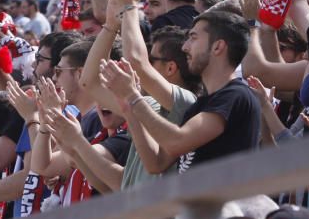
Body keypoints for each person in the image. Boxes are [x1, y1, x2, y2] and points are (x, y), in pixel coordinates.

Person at [104, 10, 259, 175]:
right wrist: (129, 108)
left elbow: (176, 142)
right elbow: (155, 163)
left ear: (217, 47)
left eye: (193, 38)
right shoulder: (199, 106)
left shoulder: (236, 95)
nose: (185, 47)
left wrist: (132, 96)